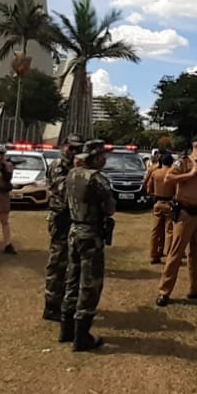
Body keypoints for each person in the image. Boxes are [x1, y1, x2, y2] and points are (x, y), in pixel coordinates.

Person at [60, 139, 115, 351]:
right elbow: (110, 208)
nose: (105, 159)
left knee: (71, 279)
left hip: (74, 230)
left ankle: (66, 329)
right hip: (90, 234)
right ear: (96, 157)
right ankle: (81, 337)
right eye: (103, 155)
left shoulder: (72, 174)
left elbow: (66, 201)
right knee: (90, 284)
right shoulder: (97, 178)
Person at [156, 140, 197, 306]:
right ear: (196, 146)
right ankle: (164, 291)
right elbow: (168, 178)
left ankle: (196, 289)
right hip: (185, 213)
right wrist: (189, 175)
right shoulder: (184, 162)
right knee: (176, 253)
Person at [43, 134, 83, 321]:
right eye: (72, 148)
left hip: (73, 219)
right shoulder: (58, 166)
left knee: (71, 263)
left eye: (78, 148)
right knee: (57, 263)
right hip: (60, 218)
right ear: (64, 146)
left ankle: (66, 302)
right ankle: (51, 306)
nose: (75, 151)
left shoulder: (75, 167)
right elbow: (67, 191)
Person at [143, 151, 176, 264]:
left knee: (156, 230)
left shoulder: (155, 173)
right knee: (170, 231)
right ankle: (170, 255)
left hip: (158, 202)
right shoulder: (174, 174)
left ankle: (154, 255)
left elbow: (148, 189)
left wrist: (154, 195)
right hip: (170, 203)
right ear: (172, 162)